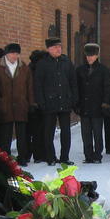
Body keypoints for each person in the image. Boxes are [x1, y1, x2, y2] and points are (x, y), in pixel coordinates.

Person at [34, 37, 78, 165]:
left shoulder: (66, 62)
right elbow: (38, 85)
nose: (58, 49)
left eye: (59, 46)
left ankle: (65, 157)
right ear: (48, 49)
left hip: (65, 101)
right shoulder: (42, 64)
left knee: (66, 132)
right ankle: (51, 157)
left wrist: (73, 98)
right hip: (49, 103)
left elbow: (73, 81)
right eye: (55, 47)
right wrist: (41, 102)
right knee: (49, 132)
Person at [0, 43, 35, 162]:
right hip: (5, 105)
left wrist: (31, 103)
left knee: (22, 134)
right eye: (12, 53)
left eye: (17, 53)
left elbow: (29, 87)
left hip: (21, 104)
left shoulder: (24, 68)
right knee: (5, 134)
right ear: (6, 54)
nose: (14, 56)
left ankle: (22, 157)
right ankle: (5, 157)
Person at [76, 43, 110, 163]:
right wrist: (77, 104)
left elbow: (107, 88)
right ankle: (88, 155)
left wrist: (105, 103)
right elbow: (77, 88)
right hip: (84, 106)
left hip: (98, 106)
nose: (90, 58)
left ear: (97, 56)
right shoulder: (80, 70)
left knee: (97, 132)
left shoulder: (103, 70)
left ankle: (97, 155)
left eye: (92, 55)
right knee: (86, 133)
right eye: (88, 55)